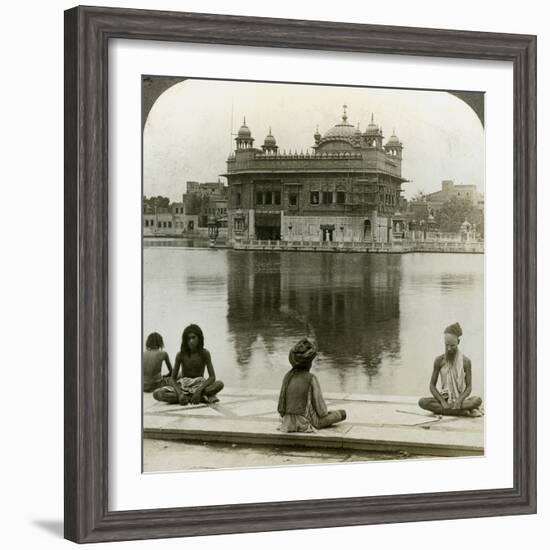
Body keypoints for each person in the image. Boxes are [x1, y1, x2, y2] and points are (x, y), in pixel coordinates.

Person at [277, 338, 346, 432]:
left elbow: (281, 409)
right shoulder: (311, 378)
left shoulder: (287, 376)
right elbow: (322, 412)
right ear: (308, 363)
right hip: (306, 422)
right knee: (342, 413)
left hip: (287, 423)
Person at [418, 323, 483, 416]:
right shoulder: (439, 360)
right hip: (444, 398)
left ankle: (450, 410)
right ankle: (461, 412)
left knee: (477, 400)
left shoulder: (466, 361)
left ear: (458, 342)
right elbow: (432, 386)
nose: (449, 348)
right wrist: (442, 402)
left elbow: (469, 387)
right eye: (446, 345)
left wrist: (459, 400)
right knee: (422, 402)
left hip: (460, 398)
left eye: (452, 345)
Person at [153, 324, 224, 405]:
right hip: (183, 385)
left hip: (199, 384)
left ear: (199, 338)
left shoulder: (205, 353)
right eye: (188, 339)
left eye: (193, 337)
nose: (191, 341)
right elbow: (172, 379)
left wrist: (199, 391)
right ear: (185, 341)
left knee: (219, 384)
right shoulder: (181, 354)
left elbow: (212, 377)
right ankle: (196, 398)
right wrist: (180, 394)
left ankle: (194, 396)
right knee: (157, 393)